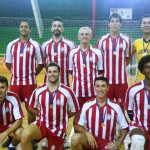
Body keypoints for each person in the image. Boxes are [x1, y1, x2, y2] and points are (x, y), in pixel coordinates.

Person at [21, 62, 80, 150]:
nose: (52, 74)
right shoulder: (39, 90)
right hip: (43, 124)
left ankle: (59, 141)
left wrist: (63, 116)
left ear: (60, 73)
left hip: (58, 129)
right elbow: (31, 107)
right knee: (25, 135)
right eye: (50, 72)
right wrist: (41, 114)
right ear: (46, 73)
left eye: (55, 72)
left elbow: (75, 109)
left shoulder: (67, 91)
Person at [71, 77, 128, 150]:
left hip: (107, 143)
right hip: (91, 142)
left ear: (108, 88)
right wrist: (87, 133)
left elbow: (125, 127)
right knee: (75, 138)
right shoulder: (87, 105)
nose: (100, 89)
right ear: (94, 88)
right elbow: (77, 126)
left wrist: (118, 143)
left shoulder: (115, 106)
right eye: (97, 86)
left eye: (103, 86)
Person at [5, 21, 44, 124]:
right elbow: (8, 63)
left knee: (30, 109)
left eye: (26, 27)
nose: (23, 29)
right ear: (19, 29)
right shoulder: (11, 44)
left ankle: (30, 135)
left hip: (29, 83)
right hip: (15, 83)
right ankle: (15, 136)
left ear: (30, 29)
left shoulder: (35, 45)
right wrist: (15, 72)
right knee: (13, 108)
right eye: (21, 27)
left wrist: (32, 74)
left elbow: (40, 64)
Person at [97, 13, 132, 109]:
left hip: (121, 81)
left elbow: (128, 57)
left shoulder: (127, 39)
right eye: (112, 21)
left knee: (121, 107)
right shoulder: (101, 40)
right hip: (106, 81)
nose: (114, 24)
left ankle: (120, 124)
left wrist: (119, 68)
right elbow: (98, 58)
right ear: (108, 24)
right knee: (105, 106)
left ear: (121, 24)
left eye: (117, 21)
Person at [68, 27, 104, 108]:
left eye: (87, 34)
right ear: (78, 37)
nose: (84, 36)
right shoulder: (72, 52)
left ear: (91, 36)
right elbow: (71, 71)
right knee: (77, 116)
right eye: (82, 34)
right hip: (77, 91)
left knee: (92, 116)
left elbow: (100, 70)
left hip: (93, 91)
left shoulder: (97, 52)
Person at [42, 16, 76, 86]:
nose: (56, 28)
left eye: (59, 26)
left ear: (62, 29)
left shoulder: (70, 44)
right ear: (51, 28)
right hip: (48, 83)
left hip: (64, 82)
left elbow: (75, 62)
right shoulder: (45, 45)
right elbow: (43, 60)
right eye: (54, 26)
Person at [125, 55, 150, 150]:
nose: (149, 70)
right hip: (139, 127)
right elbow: (129, 111)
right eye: (147, 67)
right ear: (142, 70)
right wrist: (135, 123)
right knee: (138, 141)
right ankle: (135, 144)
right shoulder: (133, 89)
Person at [0, 76, 24, 149]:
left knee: (21, 134)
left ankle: (12, 145)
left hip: (9, 125)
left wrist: (5, 133)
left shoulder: (13, 97)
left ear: (7, 88)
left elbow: (19, 120)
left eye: (2, 87)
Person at [132, 14, 150, 81]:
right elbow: (126, 57)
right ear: (141, 26)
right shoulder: (136, 42)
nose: (146, 25)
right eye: (144, 23)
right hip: (141, 81)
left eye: (149, 23)